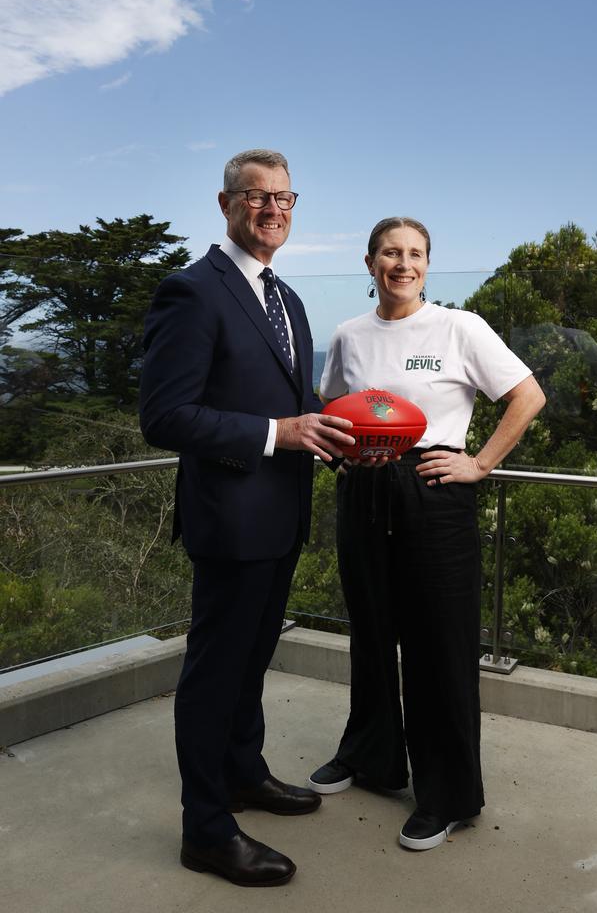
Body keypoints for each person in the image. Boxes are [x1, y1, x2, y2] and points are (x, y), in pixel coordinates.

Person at [139, 149, 354, 887]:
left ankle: (243, 774)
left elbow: (296, 402)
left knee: (251, 663)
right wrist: (277, 435)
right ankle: (205, 829)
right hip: (229, 520)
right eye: (256, 197)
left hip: (283, 516)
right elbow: (164, 417)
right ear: (225, 204)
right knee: (213, 675)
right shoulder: (192, 291)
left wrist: (351, 430)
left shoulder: (287, 299)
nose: (272, 210)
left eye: (285, 198)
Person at [308, 216, 545, 851]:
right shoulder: (348, 335)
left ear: (427, 265)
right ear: (369, 262)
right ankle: (372, 758)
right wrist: (337, 454)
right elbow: (331, 408)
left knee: (439, 646)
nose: (402, 263)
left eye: (414, 254)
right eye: (390, 252)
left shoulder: (459, 326)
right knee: (371, 631)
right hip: (363, 489)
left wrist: (480, 463)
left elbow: (528, 395)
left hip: (436, 491)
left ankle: (446, 795)